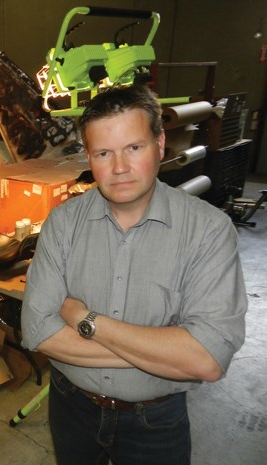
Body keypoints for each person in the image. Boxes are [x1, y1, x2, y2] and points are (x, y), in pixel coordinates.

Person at [20, 85, 247, 465]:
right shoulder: (63, 223)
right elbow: (37, 332)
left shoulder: (209, 230)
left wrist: (84, 319)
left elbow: (207, 359)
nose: (119, 167)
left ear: (160, 144)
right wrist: (167, 355)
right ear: (89, 156)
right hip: (71, 407)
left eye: (134, 148)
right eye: (103, 153)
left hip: (155, 421)